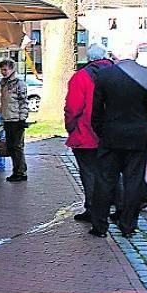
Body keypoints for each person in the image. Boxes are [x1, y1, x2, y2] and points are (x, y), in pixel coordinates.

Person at [90, 43, 147, 237]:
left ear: (117, 54)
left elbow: (96, 109)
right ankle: (128, 226)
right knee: (134, 181)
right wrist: (142, 122)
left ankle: (99, 225)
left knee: (104, 180)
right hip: (137, 135)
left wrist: (101, 130)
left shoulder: (105, 75)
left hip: (111, 134)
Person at [64, 44, 114, 222]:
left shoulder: (81, 77)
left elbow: (73, 107)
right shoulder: (117, 73)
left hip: (85, 133)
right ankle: (116, 207)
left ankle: (93, 208)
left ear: (88, 58)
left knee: (89, 172)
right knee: (112, 171)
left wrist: (71, 127)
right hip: (111, 133)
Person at [0, 59, 30, 182]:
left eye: (5, 69)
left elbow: (23, 102)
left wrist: (22, 119)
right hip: (8, 119)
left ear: (12, 69)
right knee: (11, 147)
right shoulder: (4, 83)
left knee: (17, 147)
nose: (3, 72)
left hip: (16, 120)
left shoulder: (18, 83)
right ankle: (16, 170)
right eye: (2, 69)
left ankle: (21, 172)